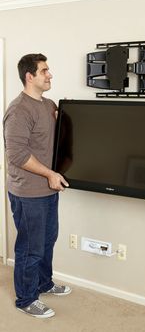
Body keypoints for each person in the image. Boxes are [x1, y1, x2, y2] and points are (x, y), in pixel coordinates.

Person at [3, 53, 71, 318]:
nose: (50, 74)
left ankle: (44, 283)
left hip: (49, 188)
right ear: (30, 76)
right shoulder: (18, 110)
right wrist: (49, 174)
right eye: (44, 71)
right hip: (28, 192)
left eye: (48, 69)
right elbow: (17, 154)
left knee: (47, 240)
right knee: (30, 247)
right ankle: (26, 298)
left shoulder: (48, 105)